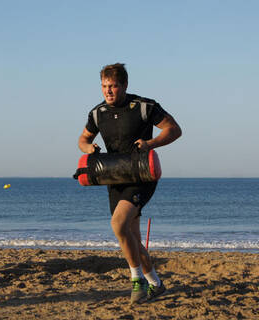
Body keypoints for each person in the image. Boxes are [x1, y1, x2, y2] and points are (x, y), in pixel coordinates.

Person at [78, 63, 182, 304]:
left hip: (141, 176)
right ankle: (156, 284)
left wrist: (150, 144)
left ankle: (137, 281)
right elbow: (82, 139)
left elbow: (174, 129)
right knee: (130, 236)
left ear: (124, 85)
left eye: (113, 86)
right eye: (104, 86)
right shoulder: (97, 113)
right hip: (114, 178)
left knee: (118, 224)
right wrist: (89, 148)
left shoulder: (145, 107)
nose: (108, 91)